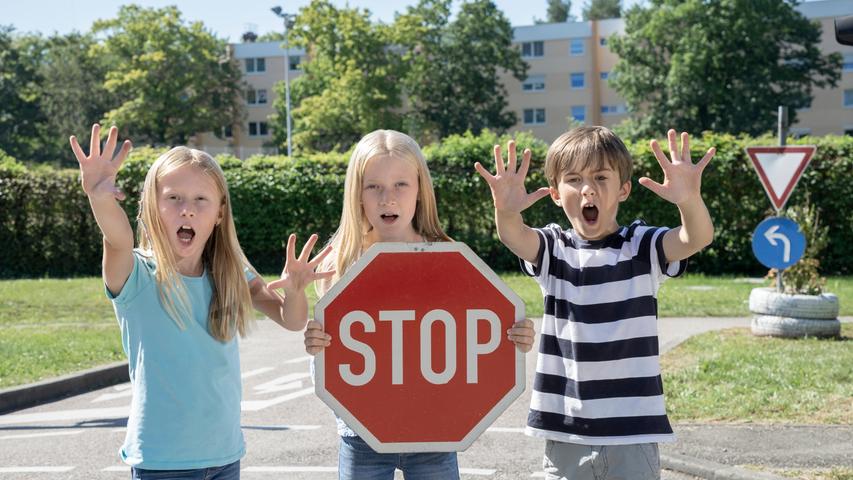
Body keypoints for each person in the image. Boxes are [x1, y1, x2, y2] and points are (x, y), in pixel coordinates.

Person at [70, 123, 332, 479]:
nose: (187, 211)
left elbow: (291, 319)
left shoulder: (231, 269)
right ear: (151, 206)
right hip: (163, 464)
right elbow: (117, 238)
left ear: (220, 213)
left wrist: (297, 291)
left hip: (224, 456)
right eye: (173, 198)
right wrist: (98, 196)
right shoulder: (136, 275)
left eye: (200, 200)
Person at [475, 126, 715, 480]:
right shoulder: (554, 249)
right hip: (566, 430)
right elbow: (513, 235)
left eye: (601, 177)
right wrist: (507, 211)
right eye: (573, 179)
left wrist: (688, 199)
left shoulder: (641, 246)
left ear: (623, 189)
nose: (587, 189)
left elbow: (695, 237)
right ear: (555, 194)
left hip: (633, 433)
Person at [303, 129, 536, 480]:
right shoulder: (339, 262)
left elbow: (476, 327)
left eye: (401, 184)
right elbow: (330, 357)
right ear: (357, 194)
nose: (388, 198)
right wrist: (315, 345)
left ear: (420, 191)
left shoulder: (446, 254)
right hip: (361, 439)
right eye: (374, 186)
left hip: (435, 439)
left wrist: (514, 336)